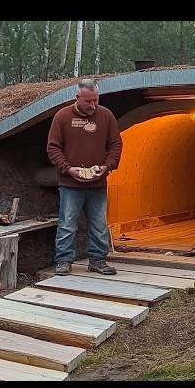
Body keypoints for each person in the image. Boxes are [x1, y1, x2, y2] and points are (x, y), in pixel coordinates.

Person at [47, 78, 123, 276]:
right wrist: (68, 168)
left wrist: (107, 166)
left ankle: (98, 260)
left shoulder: (106, 116)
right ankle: (64, 260)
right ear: (77, 97)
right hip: (70, 184)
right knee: (67, 223)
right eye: (88, 101)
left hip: (97, 183)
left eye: (96, 100)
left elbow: (115, 145)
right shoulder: (62, 117)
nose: (93, 105)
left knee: (99, 224)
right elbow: (53, 148)